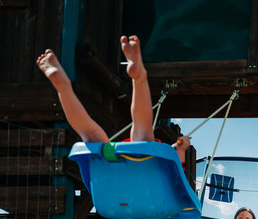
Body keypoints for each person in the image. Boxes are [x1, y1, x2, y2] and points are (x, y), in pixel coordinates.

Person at [36, 35, 190, 164]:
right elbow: (178, 177)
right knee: (141, 138)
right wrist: (181, 152)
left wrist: (181, 151)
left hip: (113, 167)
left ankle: (63, 87)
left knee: (92, 133)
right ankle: (139, 78)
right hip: (145, 174)